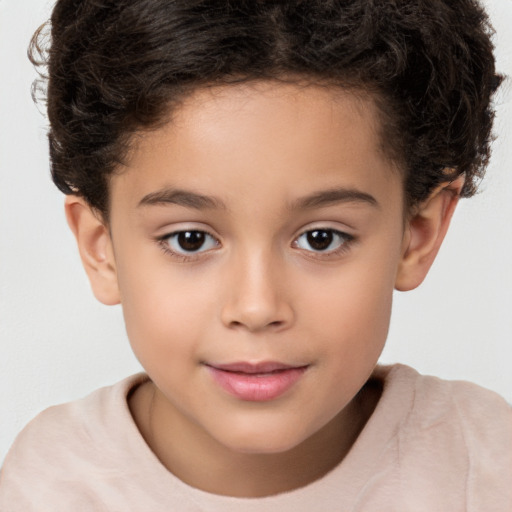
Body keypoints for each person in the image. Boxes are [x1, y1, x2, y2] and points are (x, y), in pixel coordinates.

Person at [0, 0, 510, 509]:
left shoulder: (481, 466)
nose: (257, 307)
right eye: (190, 239)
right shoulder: (54, 485)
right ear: (101, 247)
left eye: (321, 238)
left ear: (416, 234)